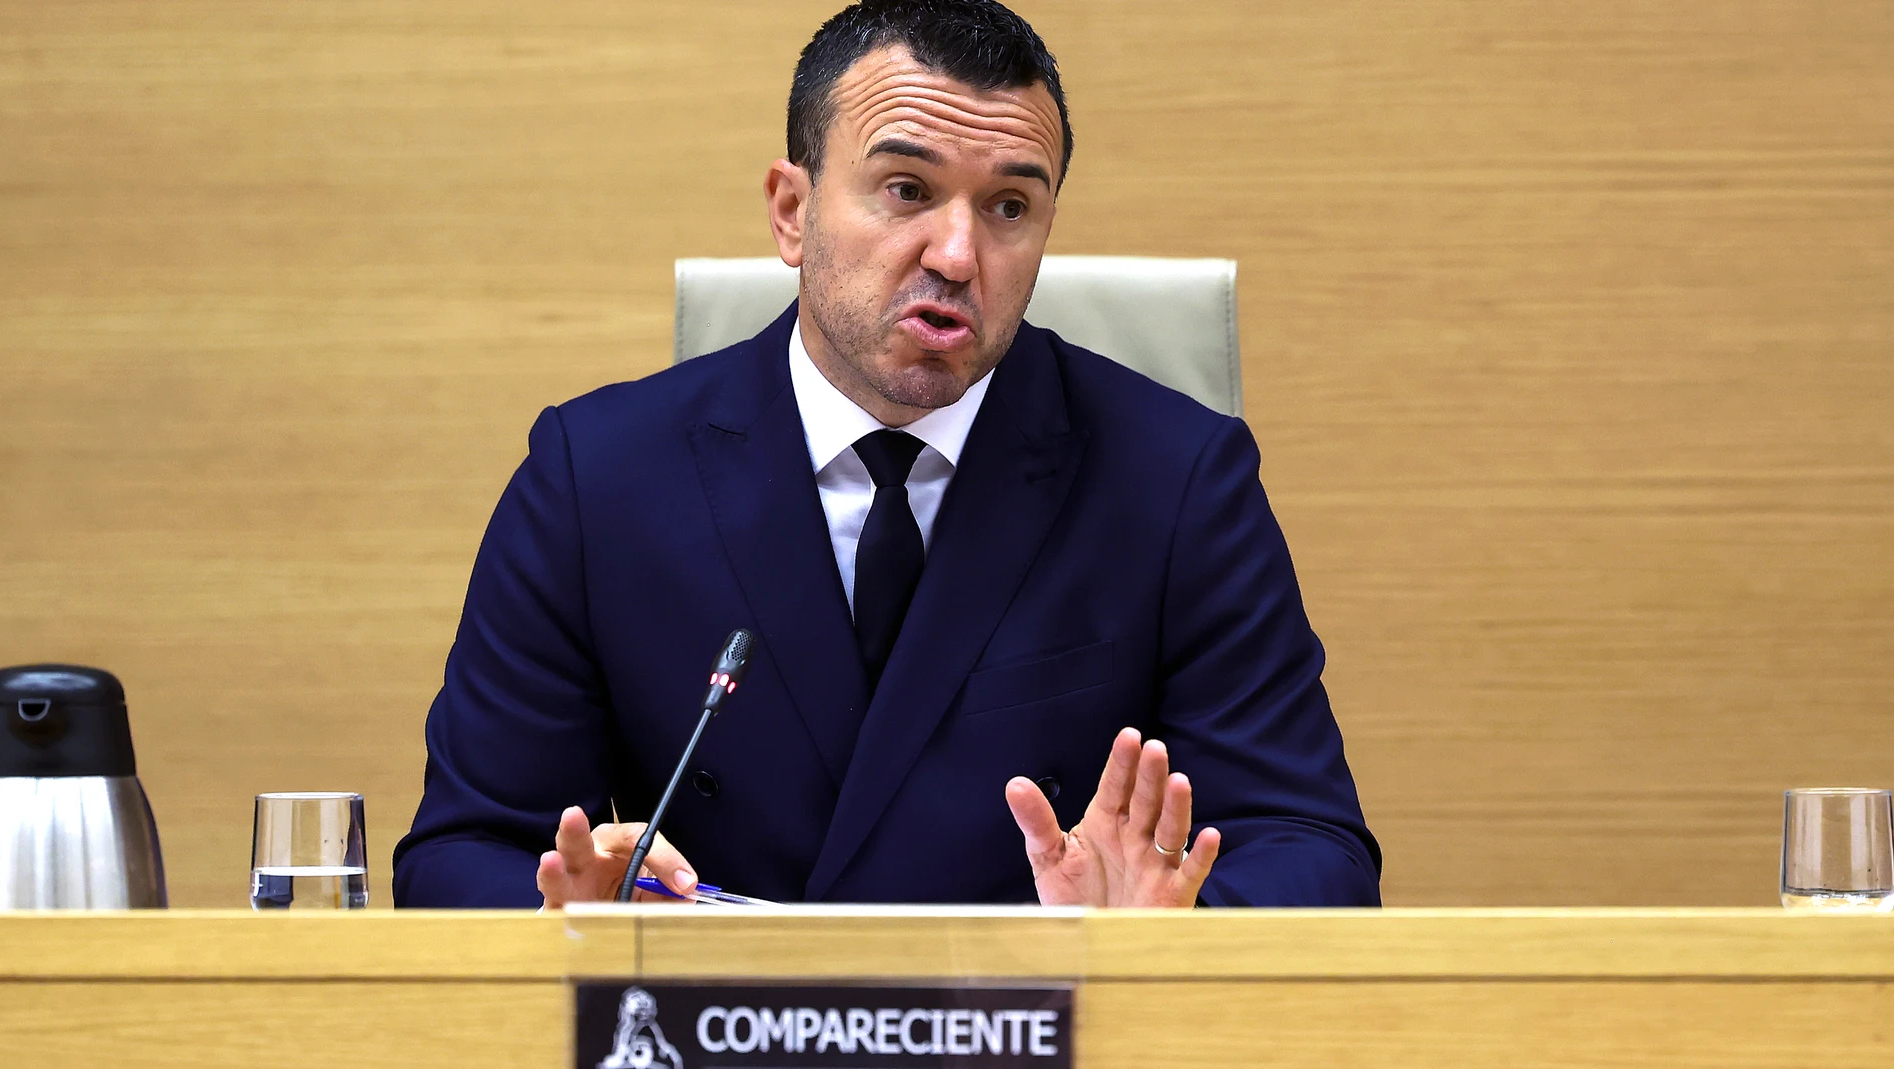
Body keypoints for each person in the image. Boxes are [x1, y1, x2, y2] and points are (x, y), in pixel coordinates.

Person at [392, 0, 1380, 910]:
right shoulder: (594, 479)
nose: (957, 254)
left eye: (1007, 208)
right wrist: (578, 912)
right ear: (791, 210)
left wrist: (1160, 932)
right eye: (907, 189)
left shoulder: (1175, 482)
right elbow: (460, 851)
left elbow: (1312, 849)